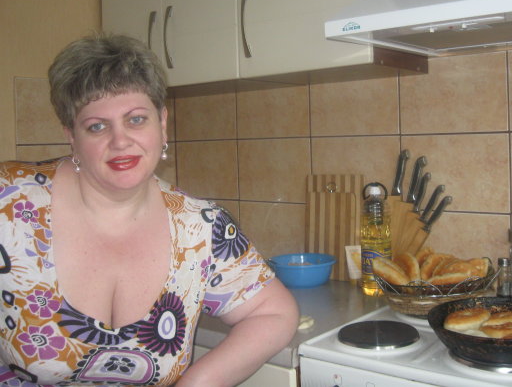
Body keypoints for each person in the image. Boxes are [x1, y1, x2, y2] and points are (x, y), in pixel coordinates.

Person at [0, 33, 299, 386]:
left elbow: (273, 312)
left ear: (162, 122)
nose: (120, 140)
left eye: (136, 119)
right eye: (97, 126)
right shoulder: (10, 202)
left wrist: (197, 383)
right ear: (71, 136)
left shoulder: (200, 227)